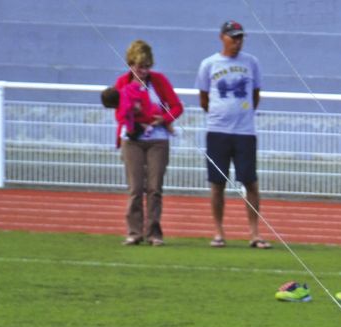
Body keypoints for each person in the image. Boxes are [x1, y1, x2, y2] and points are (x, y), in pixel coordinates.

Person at [195, 20, 268, 249]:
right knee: (217, 183)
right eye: (233, 37)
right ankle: (218, 232)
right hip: (218, 131)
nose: (237, 42)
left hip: (245, 131)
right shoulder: (209, 64)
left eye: (240, 38)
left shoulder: (251, 63)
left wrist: (242, 114)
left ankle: (254, 233)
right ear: (222, 37)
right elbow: (204, 99)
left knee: (250, 181)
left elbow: (254, 94)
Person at [112, 40, 182, 247]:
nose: (143, 70)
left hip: (158, 139)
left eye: (147, 66)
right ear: (130, 64)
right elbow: (119, 114)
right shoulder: (122, 83)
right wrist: (134, 118)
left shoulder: (158, 81)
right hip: (132, 140)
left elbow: (176, 106)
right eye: (139, 66)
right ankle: (134, 232)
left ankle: (154, 233)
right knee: (135, 188)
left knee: (154, 188)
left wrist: (164, 119)